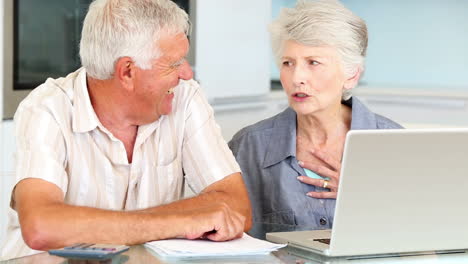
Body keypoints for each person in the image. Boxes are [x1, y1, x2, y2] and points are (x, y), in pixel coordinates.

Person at [0, 0, 252, 260]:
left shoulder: (184, 98)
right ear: (128, 71)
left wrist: (113, 226)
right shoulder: (47, 108)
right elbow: (41, 227)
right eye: (175, 63)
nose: (187, 74)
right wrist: (181, 220)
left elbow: (236, 207)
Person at [228, 0, 402, 239]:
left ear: (351, 75)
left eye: (313, 63)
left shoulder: (396, 144)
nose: (297, 77)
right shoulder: (248, 146)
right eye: (288, 63)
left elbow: (425, 243)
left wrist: (365, 197)